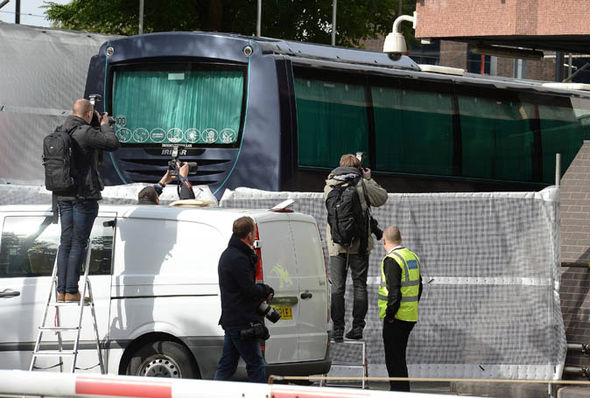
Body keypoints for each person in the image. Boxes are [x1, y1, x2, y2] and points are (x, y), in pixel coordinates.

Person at [55, 99, 120, 302]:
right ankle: (72, 290)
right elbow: (112, 144)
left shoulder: (60, 130)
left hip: (63, 194)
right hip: (83, 196)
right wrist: (105, 126)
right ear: (89, 113)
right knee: (78, 242)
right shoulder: (85, 132)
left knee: (65, 242)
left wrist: (95, 125)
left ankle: (62, 290)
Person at [324, 153, 387, 341]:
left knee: (337, 288)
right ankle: (357, 327)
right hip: (359, 244)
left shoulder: (329, 185)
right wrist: (368, 178)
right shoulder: (361, 183)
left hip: (337, 244)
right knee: (360, 285)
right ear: (358, 168)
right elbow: (382, 198)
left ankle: (337, 330)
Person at [214, 216, 274, 383]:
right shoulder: (239, 258)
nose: (255, 236)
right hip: (242, 321)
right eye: (254, 232)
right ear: (249, 235)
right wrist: (266, 290)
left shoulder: (229, 254)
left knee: (227, 366)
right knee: (256, 365)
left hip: (233, 319)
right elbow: (248, 289)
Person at [379, 226, 423, 392]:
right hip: (409, 316)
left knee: (393, 359)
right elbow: (419, 286)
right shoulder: (411, 256)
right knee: (399, 357)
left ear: (384, 241)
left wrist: (390, 315)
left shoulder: (392, 260)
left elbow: (394, 292)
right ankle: (402, 391)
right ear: (400, 239)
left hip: (396, 318)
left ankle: (398, 392)